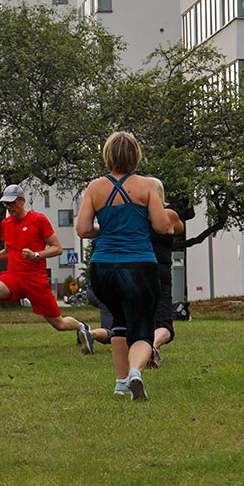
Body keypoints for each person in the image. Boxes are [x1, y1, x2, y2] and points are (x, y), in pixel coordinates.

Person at [75, 132, 171, 401]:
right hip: (139, 266)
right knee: (141, 327)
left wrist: (103, 229)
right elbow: (163, 226)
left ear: (108, 156)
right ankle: (135, 373)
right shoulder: (147, 186)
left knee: (118, 322)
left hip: (103, 267)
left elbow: (83, 230)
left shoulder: (95, 187)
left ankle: (120, 383)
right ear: (136, 156)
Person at [0, 185, 93, 354]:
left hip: (35, 279)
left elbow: (58, 248)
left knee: (59, 324)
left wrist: (36, 255)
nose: (9, 208)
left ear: (22, 201)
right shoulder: (6, 223)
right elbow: (10, 252)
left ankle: (81, 326)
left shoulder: (39, 220)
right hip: (14, 276)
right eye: (6, 204)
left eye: (12, 203)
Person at [146, 177, 185, 368]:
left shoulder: (136, 216)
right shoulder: (168, 214)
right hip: (160, 270)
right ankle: (153, 346)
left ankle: (141, 348)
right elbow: (180, 228)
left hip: (138, 269)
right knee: (164, 321)